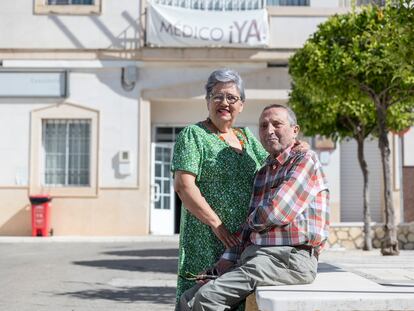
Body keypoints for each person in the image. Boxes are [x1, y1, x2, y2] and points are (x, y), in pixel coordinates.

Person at [179, 104, 330, 311]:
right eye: (263, 125)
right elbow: (250, 227)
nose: (269, 130)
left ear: (295, 130)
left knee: (208, 298)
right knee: (188, 299)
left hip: (289, 258)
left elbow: (277, 211)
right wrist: (224, 262)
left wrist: (250, 221)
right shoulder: (264, 171)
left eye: (277, 124)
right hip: (256, 257)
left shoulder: (305, 160)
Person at [171, 68, 269, 308]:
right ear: (207, 102)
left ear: (242, 104)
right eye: (217, 96)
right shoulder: (193, 135)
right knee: (202, 298)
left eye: (231, 98)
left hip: (244, 242)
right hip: (207, 238)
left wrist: (297, 147)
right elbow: (184, 186)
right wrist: (217, 225)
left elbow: (273, 166)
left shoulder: (246, 137)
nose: (224, 102)